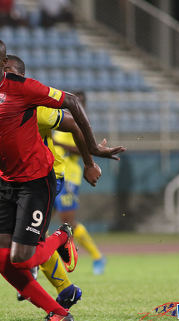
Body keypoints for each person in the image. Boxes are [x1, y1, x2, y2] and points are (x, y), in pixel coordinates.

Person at [0, 36, 114, 321]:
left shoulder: (25, 90)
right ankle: (58, 311)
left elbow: (72, 106)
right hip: (4, 182)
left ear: (3, 64)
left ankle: (62, 236)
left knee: (23, 258)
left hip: (36, 180)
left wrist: (92, 153)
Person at [53, 92, 107, 275]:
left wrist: (58, 144)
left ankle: (97, 256)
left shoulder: (80, 124)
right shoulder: (62, 119)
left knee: (68, 222)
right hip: (53, 174)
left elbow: (82, 149)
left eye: (79, 102)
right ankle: (43, 262)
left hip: (69, 177)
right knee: (41, 222)